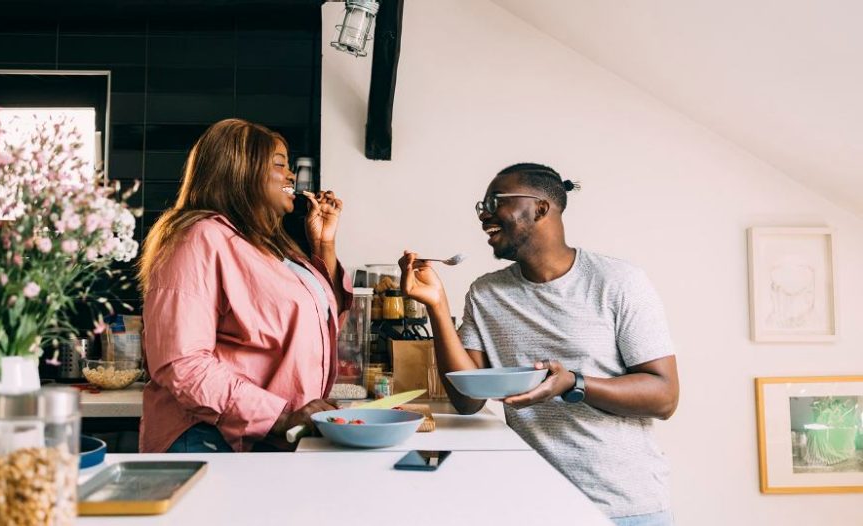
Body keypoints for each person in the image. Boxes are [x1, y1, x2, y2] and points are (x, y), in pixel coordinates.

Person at [399, 163, 679, 525]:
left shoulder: (618, 282)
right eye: (481, 205)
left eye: (494, 201)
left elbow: (665, 396)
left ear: (541, 208)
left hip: (623, 507)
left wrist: (573, 384)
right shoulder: (487, 293)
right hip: (533, 503)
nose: (484, 214)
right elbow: (467, 400)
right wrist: (437, 305)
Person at [137, 118, 351, 453]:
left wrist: (323, 245)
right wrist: (280, 417)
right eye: (279, 164)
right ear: (240, 171)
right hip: (210, 438)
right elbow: (182, 363)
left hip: (272, 437)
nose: (291, 176)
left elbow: (324, 329)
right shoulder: (198, 237)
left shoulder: (274, 248)